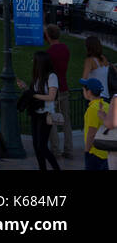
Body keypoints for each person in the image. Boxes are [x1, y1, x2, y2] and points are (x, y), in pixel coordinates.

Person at [16, 51, 61, 171]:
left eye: (34, 60)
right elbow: (33, 93)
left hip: (46, 114)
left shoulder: (52, 76)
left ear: (40, 63)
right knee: (36, 145)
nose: (32, 62)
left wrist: (33, 95)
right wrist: (26, 88)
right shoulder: (37, 77)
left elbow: (51, 97)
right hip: (35, 112)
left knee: (42, 146)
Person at [45, 24, 74, 159]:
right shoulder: (65, 49)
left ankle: (55, 150)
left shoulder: (49, 53)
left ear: (48, 36)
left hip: (53, 89)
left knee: (52, 119)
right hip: (64, 87)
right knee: (66, 120)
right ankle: (69, 149)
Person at [78, 77, 110, 171]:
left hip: (95, 153)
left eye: (84, 88)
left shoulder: (92, 109)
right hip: (106, 152)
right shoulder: (106, 105)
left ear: (89, 92)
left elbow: (91, 133)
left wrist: (87, 151)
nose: (83, 90)